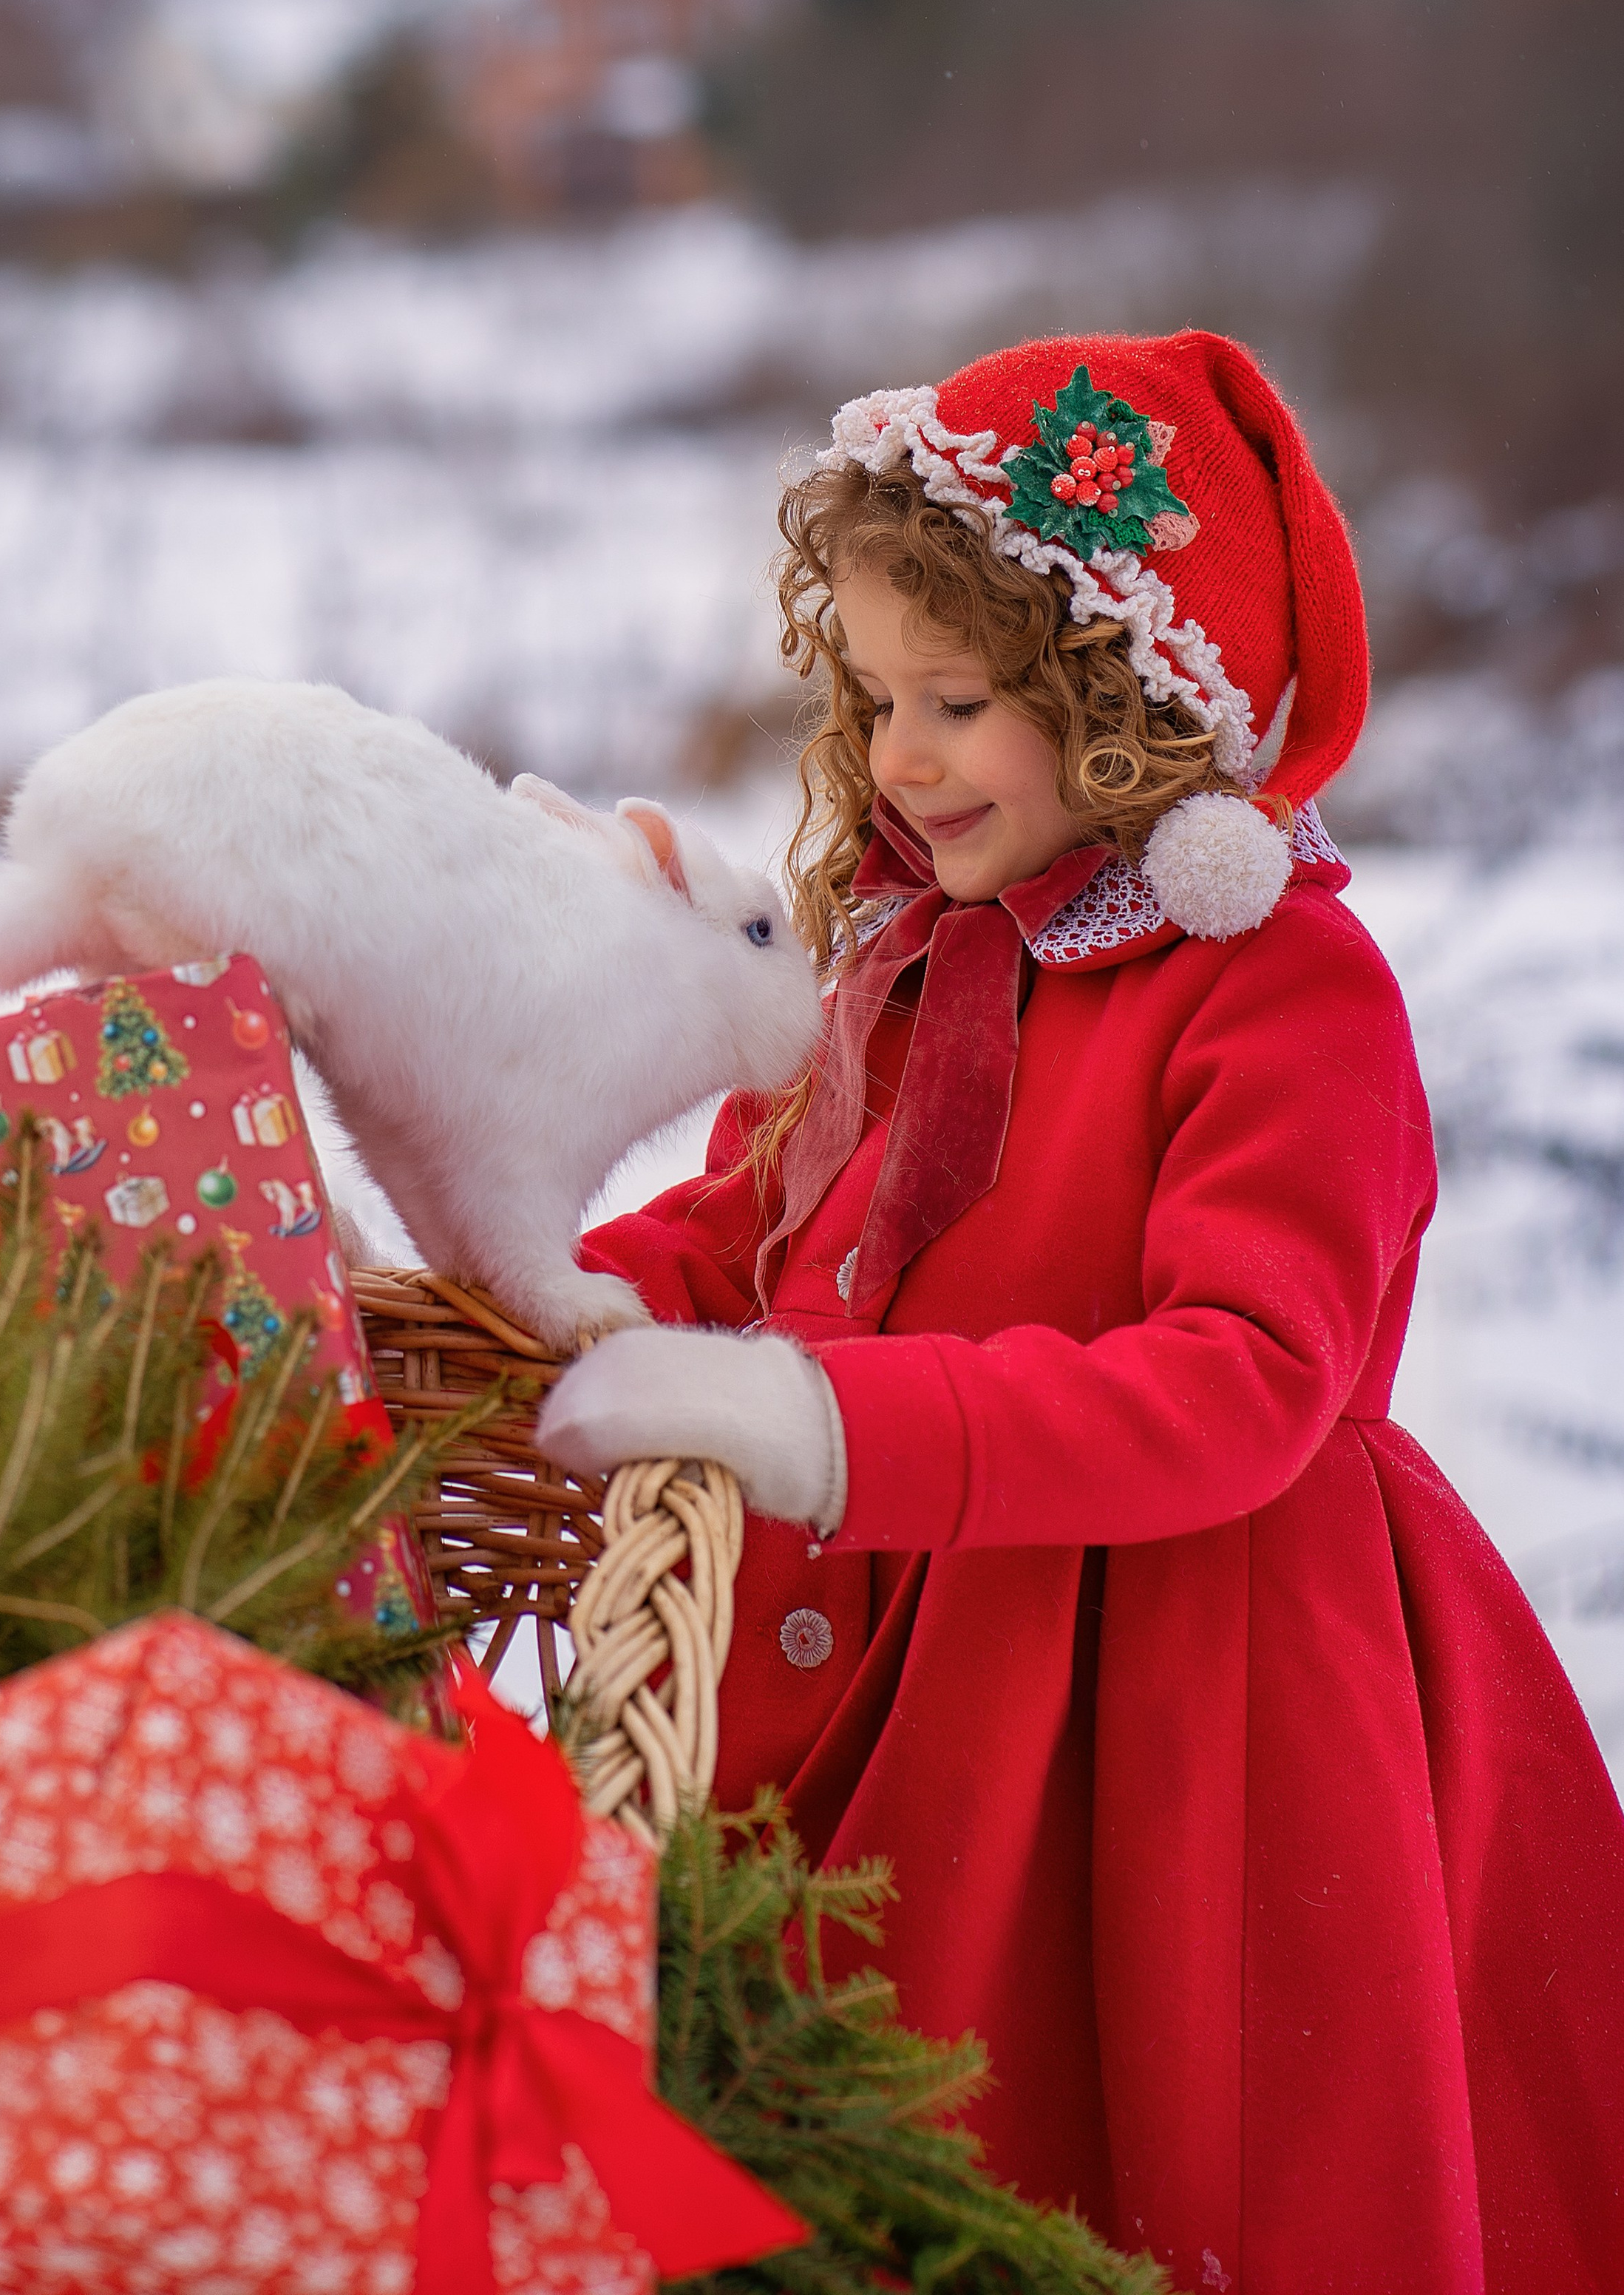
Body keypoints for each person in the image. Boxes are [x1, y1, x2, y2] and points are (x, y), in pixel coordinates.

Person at [537, 331, 1624, 2295]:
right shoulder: (906, 958)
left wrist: (836, 1430)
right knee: (823, 2130)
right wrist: (541, 1307)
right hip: (895, 1660)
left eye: (959, 704)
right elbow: (756, 1227)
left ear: (1124, 698)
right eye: (879, 699)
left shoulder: (1279, 989)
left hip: (1194, 1699)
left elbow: (1250, 1377)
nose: (902, 757)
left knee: (1138, 2155)